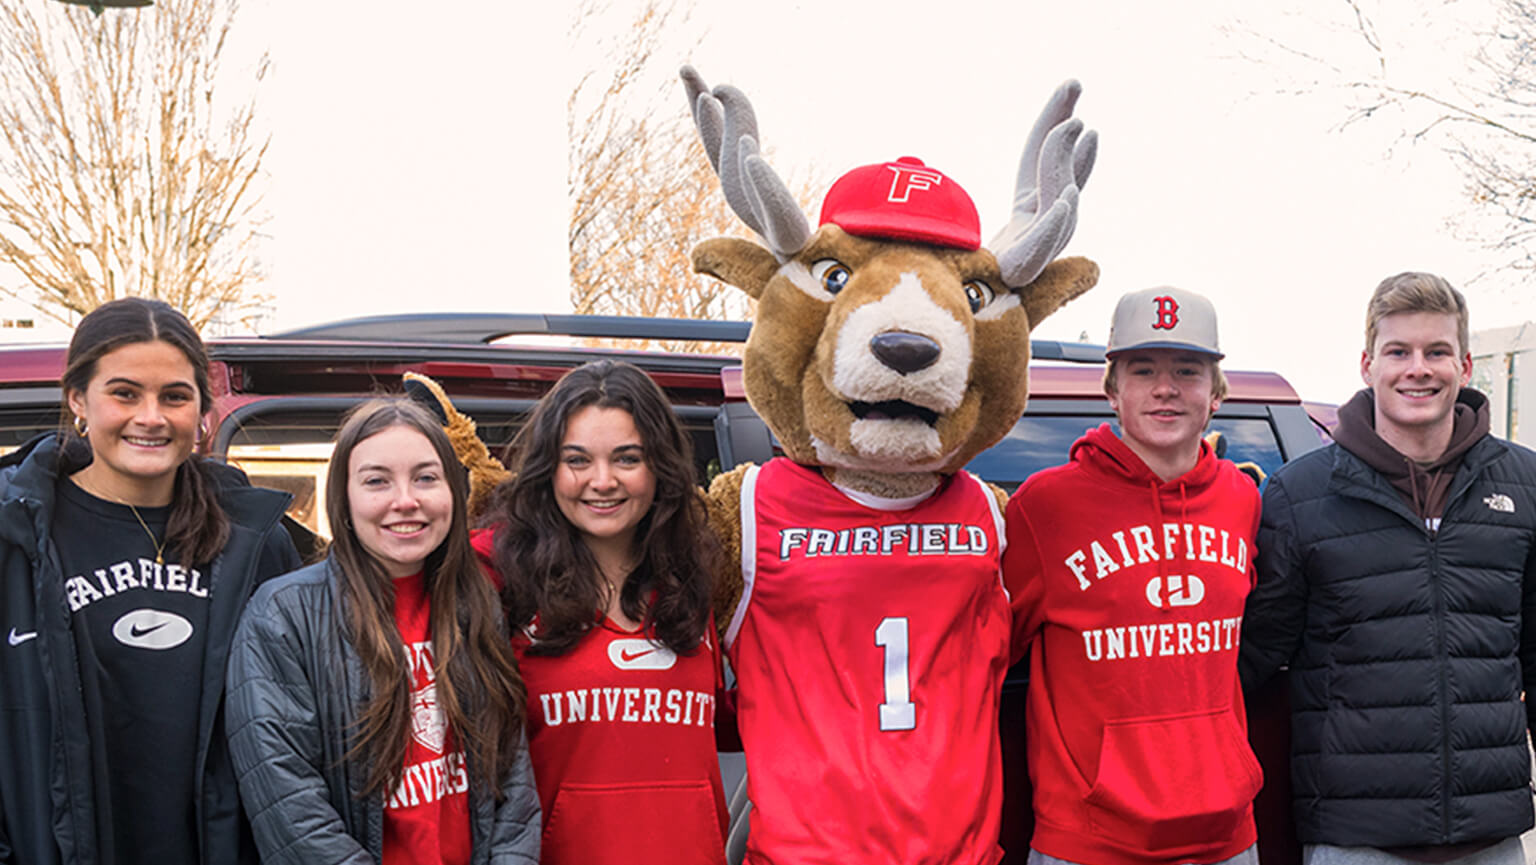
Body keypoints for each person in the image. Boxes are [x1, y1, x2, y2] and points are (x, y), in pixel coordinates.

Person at [1239, 272, 1536, 865]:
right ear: (1367, 364)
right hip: (1357, 837)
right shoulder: (1299, 496)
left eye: (1437, 352)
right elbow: (1255, 658)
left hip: (1491, 835)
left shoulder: (1525, 485)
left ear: (1466, 364)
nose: (1417, 369)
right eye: (1398, 351)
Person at [0, 297, 302, 865]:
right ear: (77, 400)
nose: (151, 417)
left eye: (174, 396)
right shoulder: (15, 537)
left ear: (201, 413)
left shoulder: (257, 543)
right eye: (124, 393)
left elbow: (299, 726)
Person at [1003, 286, 1263, 865]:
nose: (1166, 388)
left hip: (1227, 837)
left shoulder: (1242, 499)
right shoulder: (1045, 508)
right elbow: (985, 658)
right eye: (1143, 370)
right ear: (1111, 390)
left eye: (1188, 370)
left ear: (1216, 394)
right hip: (1090, 838)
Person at [224, 399, 539, 865]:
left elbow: (511, 773)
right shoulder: (283, 615)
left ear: (454, 490)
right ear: (344, 499)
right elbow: (289, 802)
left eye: (426, 478)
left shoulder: (475, 602)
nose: (406, 500)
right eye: (377, 481)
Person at [476, 359, 729, 865]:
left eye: (627, 458)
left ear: (660, 467)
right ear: (550, 469)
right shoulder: (497, 575)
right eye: (577, 460)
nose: (602, 480)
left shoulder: (696, 575)